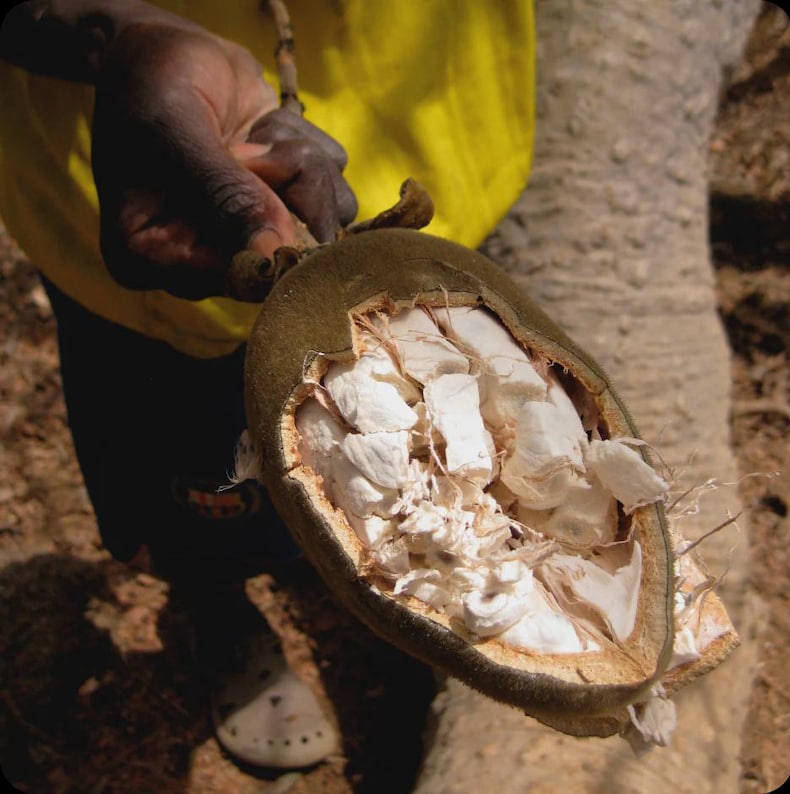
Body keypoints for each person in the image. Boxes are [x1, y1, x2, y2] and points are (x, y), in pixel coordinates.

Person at [0, 0, 535, 771]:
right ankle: (215, 609)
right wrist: (113, 31)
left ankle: (386, 571)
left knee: (413, 451)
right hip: (158, 184)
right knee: (202, 483)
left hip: (419, 115)